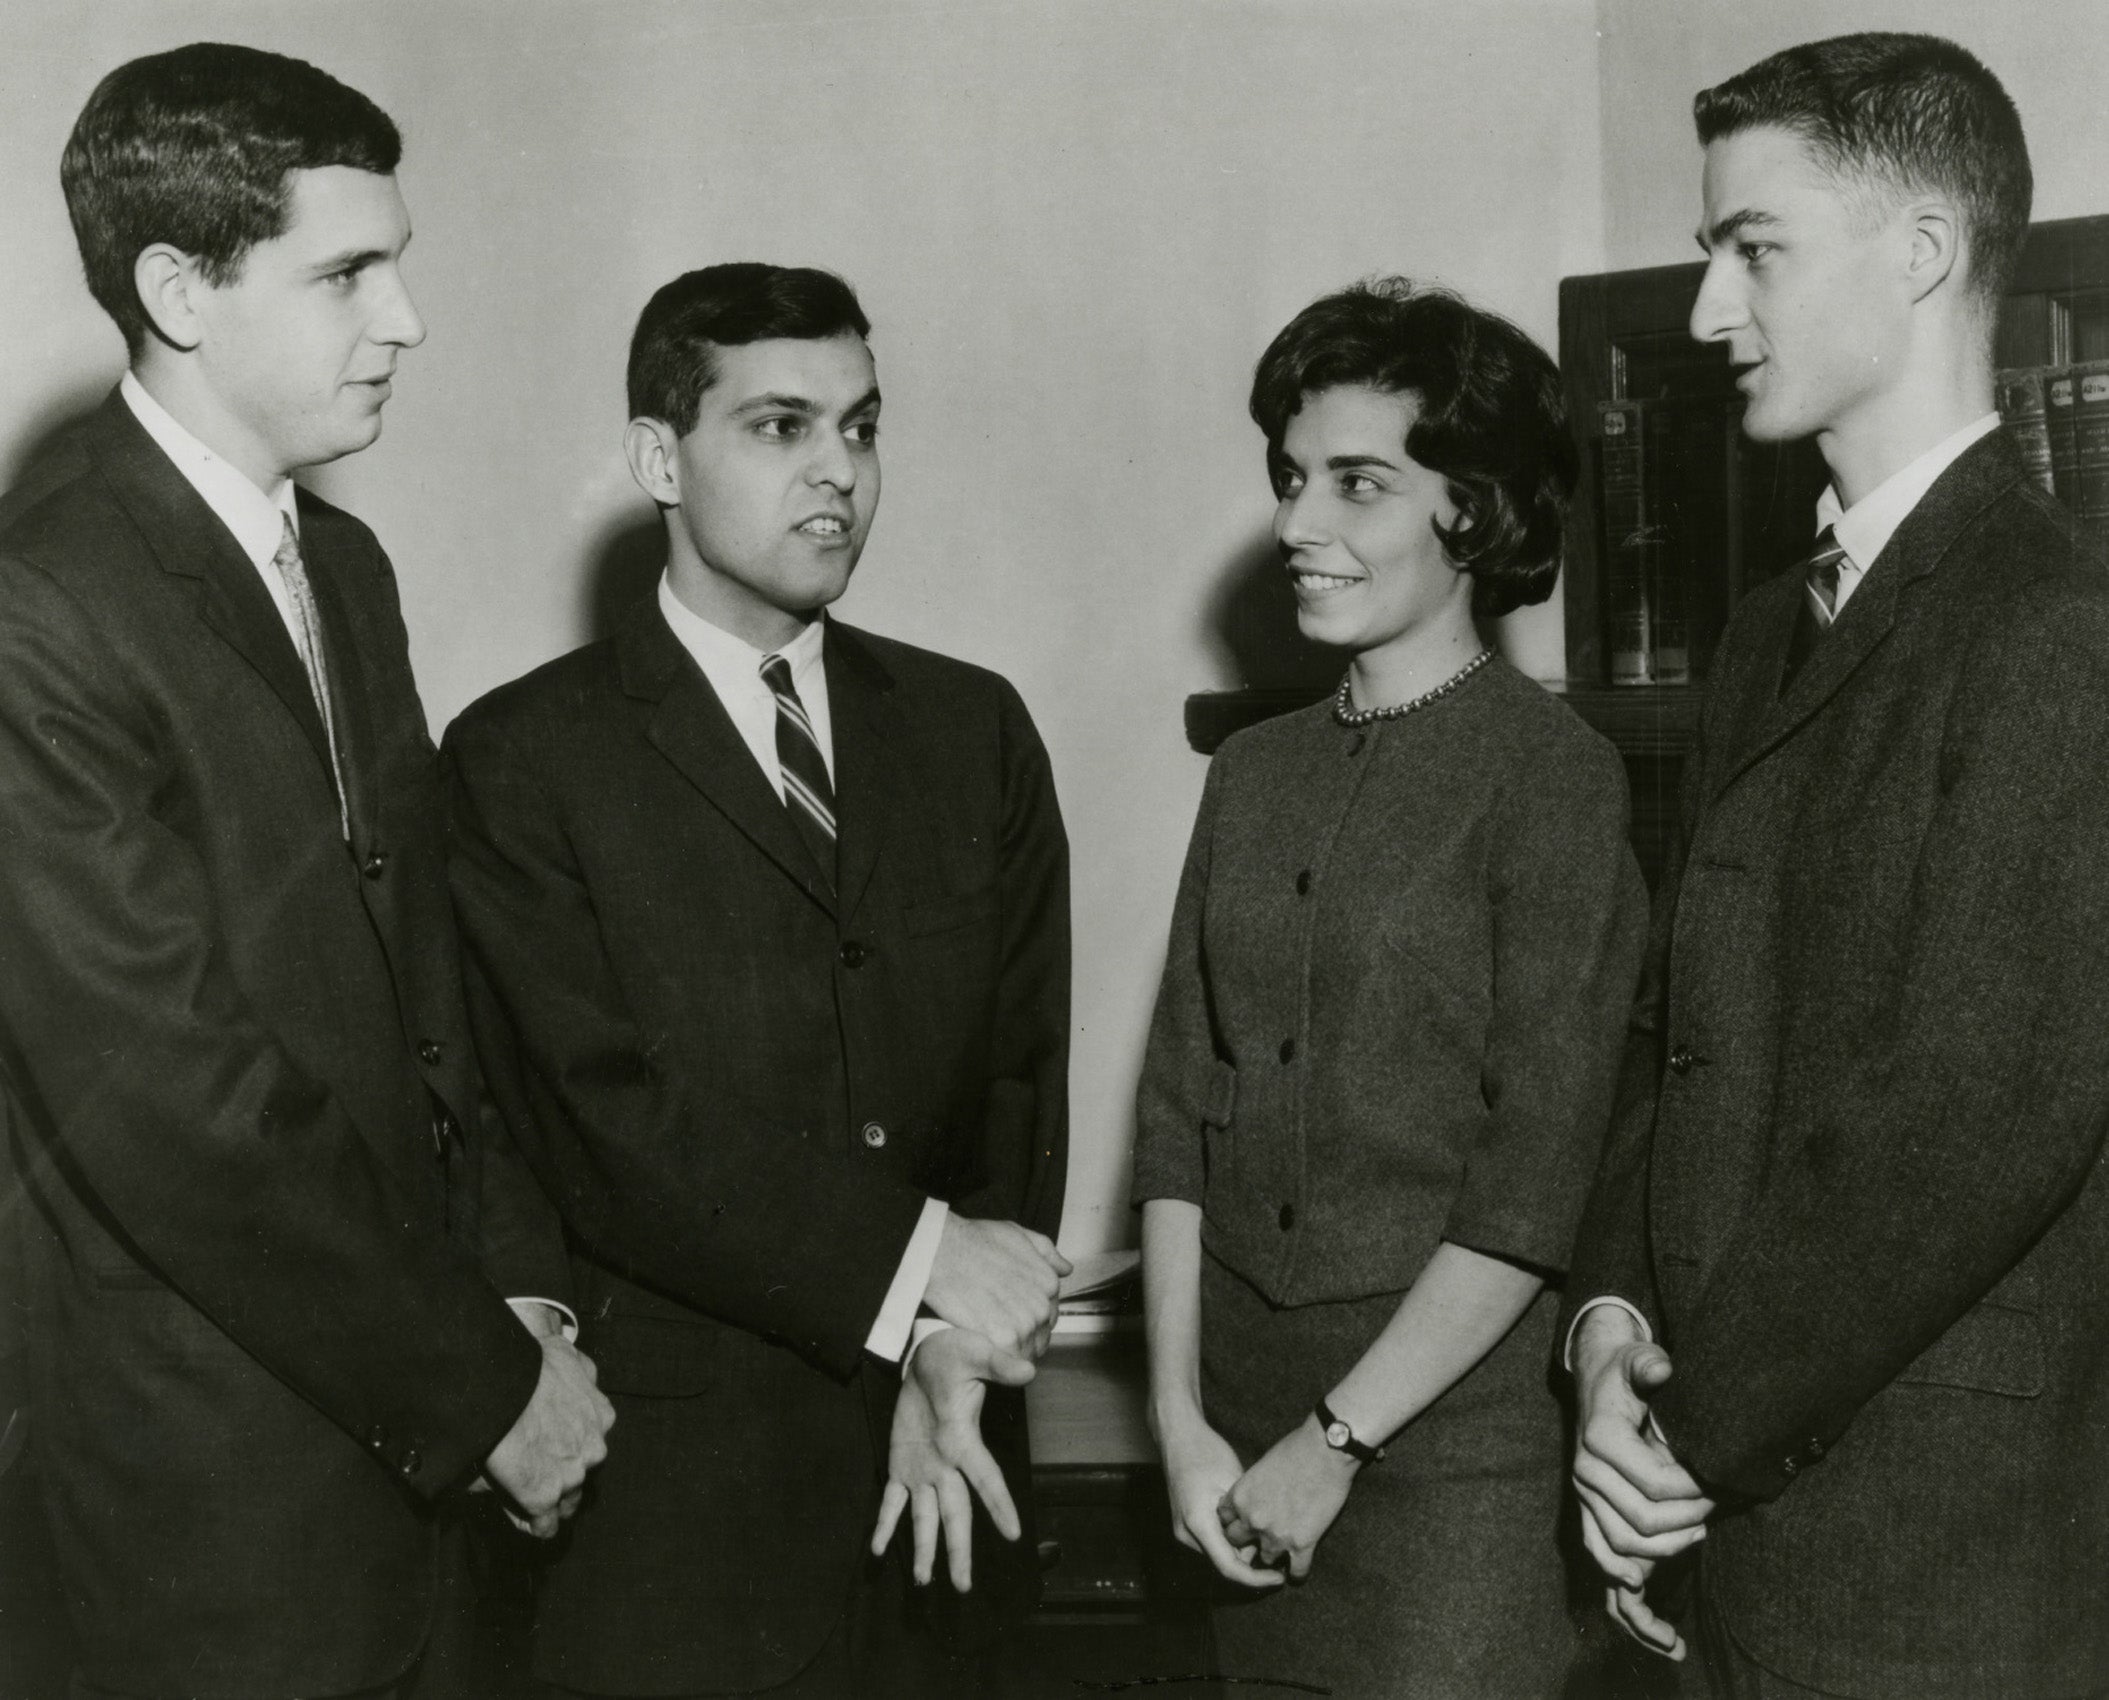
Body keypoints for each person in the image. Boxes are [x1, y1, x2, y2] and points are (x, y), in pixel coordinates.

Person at [0, 42, 613, 1700]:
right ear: (179, 290)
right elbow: (180, 1109)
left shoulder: (342, 567)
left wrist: (528, 1294)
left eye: (396, 266)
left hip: (421, 1474)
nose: (403, 318)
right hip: (214, 1523)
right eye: (347, 272)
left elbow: (431, 996)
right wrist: (486, 1385)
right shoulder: (39, 609)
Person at [1563, 32, 2109, 1699]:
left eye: (1753, 249)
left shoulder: (2052, 632)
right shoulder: (1757, 636)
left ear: (1925, 252)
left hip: (1925, 1551)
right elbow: (1676, 1040)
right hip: (1726, 1513)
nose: (1708, 312)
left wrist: (1681, 1438)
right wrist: (1599, 1332)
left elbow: (1971, 1116)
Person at [443, 261, 1072, 1698]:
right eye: (779, 428)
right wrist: (914, 1272)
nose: (837, 474)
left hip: (943, 1481)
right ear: (660, 456)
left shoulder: (973, 731)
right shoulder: (522, 760)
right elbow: (601, 1129)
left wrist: (952, 1355)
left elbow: (1016, 1081)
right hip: (673, 1521)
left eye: (859, 427)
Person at [1131, 278, 1648, 1700]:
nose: (1299, 523)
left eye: (1359, 483)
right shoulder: (1250, 774)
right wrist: (1178, 1421)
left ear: (1470, 513)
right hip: (1236, 1443)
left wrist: (1335, 1445)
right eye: (1292, 479)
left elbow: (1530, 1186)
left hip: (1448, 1473)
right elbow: (1178, 1117)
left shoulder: (1550, 780)